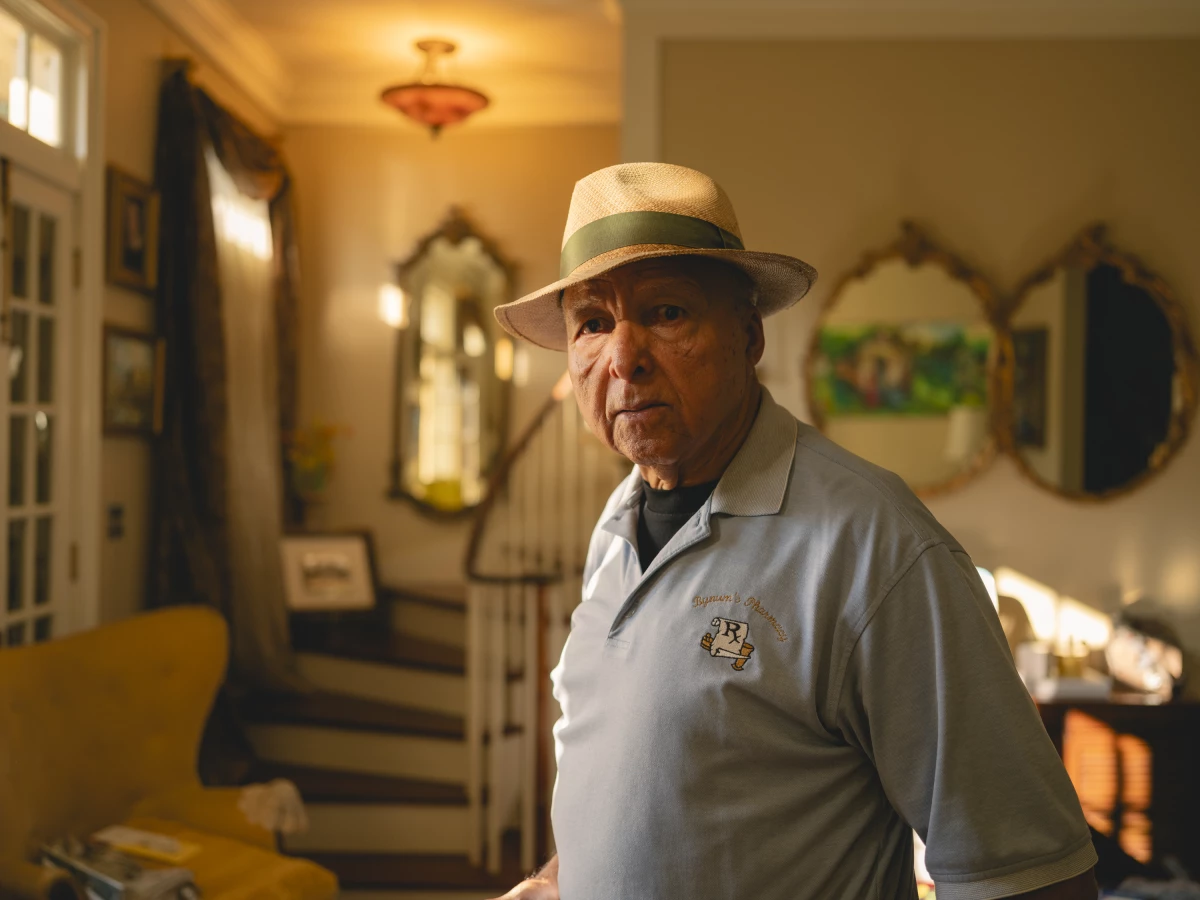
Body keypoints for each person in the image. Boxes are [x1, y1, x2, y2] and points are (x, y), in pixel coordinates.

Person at [489, 162, 1097, 900]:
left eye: (667, 312)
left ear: (748, 335)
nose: (623, 356)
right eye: (592, 322)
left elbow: (1029, 874)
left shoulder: (875, 546)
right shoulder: (615, 532)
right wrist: (557, 881)